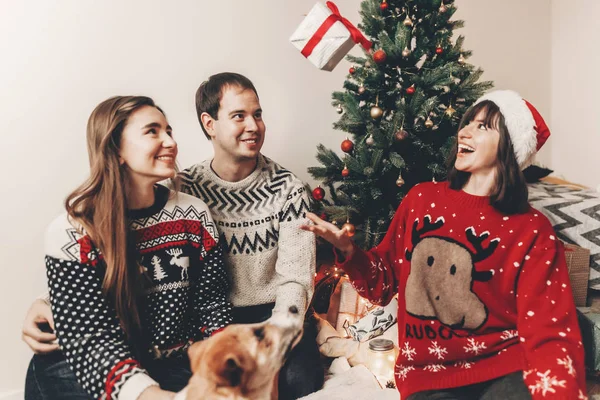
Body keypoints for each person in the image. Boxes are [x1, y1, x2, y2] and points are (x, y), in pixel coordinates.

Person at [23, 73, 322, 399]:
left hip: (226, 333)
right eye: (153, 131)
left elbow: (228, 301)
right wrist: (46, 301)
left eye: (258, 115)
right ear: (210, 123)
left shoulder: (204, 207)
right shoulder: (174, 190)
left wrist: (259, 348)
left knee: (289, 381)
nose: (170, 141)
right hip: (136, 349)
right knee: (66, 366)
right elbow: (88, 317)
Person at [302, 90, 586, 400]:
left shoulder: (532, 228)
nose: (464, 131)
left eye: (483, 126)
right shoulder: (422, 199)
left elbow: (550, 330)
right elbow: (382, 283)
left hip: (506, 365)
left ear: (511, 145)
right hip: (429, 374)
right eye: (468, 123)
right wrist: (348, 252)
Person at [24, 96, 232, 400]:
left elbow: (212, 304)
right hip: (92, 366)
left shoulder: (193, 213)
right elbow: (91, 341)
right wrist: (155, 396)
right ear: (116, 150)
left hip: (170, 363)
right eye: (152, 131)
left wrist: (226, 362)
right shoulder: (71, 231)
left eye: (169, 131)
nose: (170, 141)